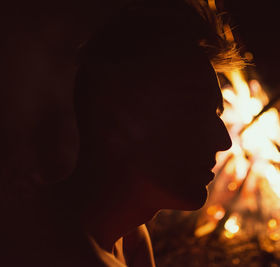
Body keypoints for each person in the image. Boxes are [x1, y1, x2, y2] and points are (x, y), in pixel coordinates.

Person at [8, 1, 243, 266]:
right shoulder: (59, 255)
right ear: (116, 123)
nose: (223, 142)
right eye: (193, 114)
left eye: (216, 115)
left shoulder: (127, 237)